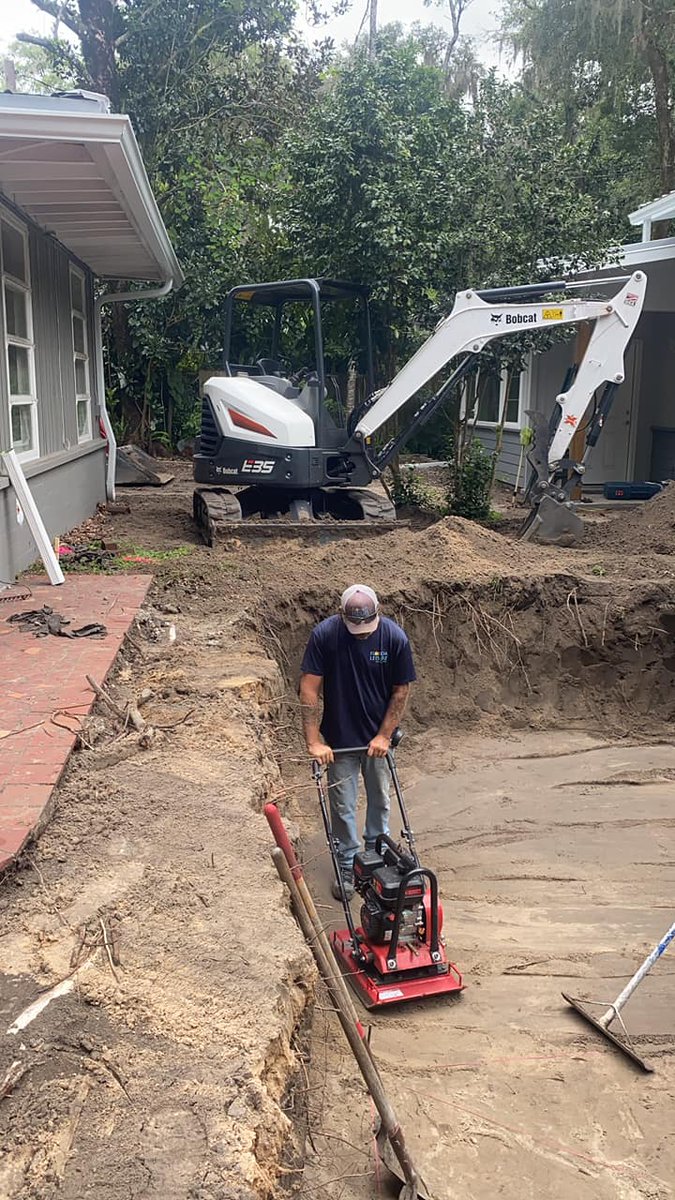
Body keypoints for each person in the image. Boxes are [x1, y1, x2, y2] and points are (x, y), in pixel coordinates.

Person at [299, 584, 416, 899]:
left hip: (378, 742)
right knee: (342, 805)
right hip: (340, 741)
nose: (362, 634)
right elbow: (309, 689)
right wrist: (314, 741)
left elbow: (401, 691)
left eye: (367, 628)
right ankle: (348, 864)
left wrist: (384, 736)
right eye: (355, 628)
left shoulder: (394, 638)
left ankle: (377, 855)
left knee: (380, 799)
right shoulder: (325, 636)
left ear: (378, 613)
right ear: (342, 616)